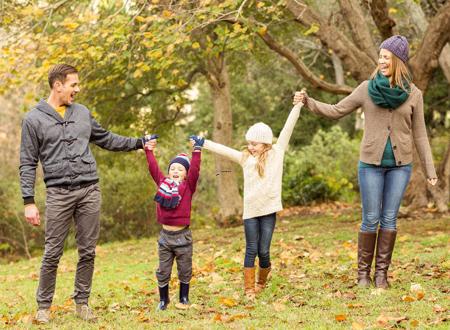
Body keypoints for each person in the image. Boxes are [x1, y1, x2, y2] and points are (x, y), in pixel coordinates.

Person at [293, 35, 437, 289]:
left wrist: (430, 169)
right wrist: (308, 102)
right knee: (370, 218)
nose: (381, 61)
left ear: (398, 61)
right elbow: (336, 110)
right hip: (370, 164)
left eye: (386, 57)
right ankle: (363, 276)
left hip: (400, 166)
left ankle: (381, 275)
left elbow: (420, 134)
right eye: (380, 56)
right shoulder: (366, 88)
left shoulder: (414, 94)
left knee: (389, 219)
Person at [19, 64, 146, 323]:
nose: (78, 89)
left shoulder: (82, 113)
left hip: (89, 189)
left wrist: (138, 143)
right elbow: (27, 162)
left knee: (87, 251)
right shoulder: (34, 119)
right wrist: (28, 201)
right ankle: (43, 306)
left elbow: (106, 138)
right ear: (58, 85)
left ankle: (82, 302)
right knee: (52, 251)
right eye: (73, 85)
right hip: (58, 193)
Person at [200, 100, 303, 300]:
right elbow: (224, 150)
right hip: (250, 213)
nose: (250, 147)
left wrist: (298, 106)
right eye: (249, 143)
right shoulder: (245, 158)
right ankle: (249, 290)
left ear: (265, 143)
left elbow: (288, 128)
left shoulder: (277, 153)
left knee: (264, 251)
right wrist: (203, 143)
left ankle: (262, 282)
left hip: (268, 211)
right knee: (251, 249)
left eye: (254, 144)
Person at [144, 135, 202, 310]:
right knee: (163, 270)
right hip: (165, 238)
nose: (176, 171)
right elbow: (153, 168)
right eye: (173, 168)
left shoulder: (188, 187)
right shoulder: (163, 184)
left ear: (185, 174)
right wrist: (149, 151)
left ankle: (184, 297)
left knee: (185, 269)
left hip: (183, 237)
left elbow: (195, 170)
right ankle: (164, 300)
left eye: (180, 169)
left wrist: (197, 151)